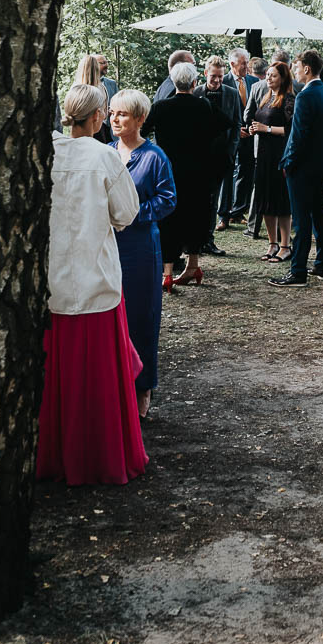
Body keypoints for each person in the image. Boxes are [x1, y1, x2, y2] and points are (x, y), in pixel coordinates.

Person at [38, 84, 146, 486]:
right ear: (99, 116)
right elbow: (128, 213)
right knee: (99, 378)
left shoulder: (46, 153)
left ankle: (55, 454)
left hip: (54, 279)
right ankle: (100, 456)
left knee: (58, 379)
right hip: (96, 276)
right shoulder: (104, 157)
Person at [109, 88, 177, 417]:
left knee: (141, 318)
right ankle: (113, 385)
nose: (114, 119)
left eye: (122, 114)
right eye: (111, 113)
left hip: (140, 247)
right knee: (110, 319)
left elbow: (168, 199)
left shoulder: (154, 157)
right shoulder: (106, 152)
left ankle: (142, 386)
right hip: (107, 245)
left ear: (140, 119)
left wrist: (134, 213)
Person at [147, 62, 228, 291]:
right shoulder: (204, 106)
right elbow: (226, 124)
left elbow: (142, 131)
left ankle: (168, 272)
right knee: (196, 217)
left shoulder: (160, 107)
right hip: (199, 172)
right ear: (195, 83)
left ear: (174, 82)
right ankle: (193, 265)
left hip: (169, 171)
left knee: (169, 219)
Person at [272, 50, 323, 288]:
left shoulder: (304, 97)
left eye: (297, 67)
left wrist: (287, 162)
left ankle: (298, 271)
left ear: (307, 69)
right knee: (320, 214)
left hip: (301, 167)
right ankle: (322, 264)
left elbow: (297, 136)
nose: (295, 71)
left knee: (300, 220)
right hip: (321, 164)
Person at [248, 62, 296, 262]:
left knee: (281, 201)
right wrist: (253, 129)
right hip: (264, 155)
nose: (268, 78)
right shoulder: (266, 97)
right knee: (266, 200)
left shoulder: (289, 100)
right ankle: (272, 244)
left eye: (273, 76)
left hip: (279, 155)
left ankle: (285, 246)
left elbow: (291, 129)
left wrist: (266, 129)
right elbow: (258, 121)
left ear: (283, 78)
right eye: (267, 75)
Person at [199, 56, 243, 244]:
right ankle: (199, 238)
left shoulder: (232, 93)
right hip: (200, 155)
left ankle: (209, 238)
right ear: (206, 73)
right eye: (213, 76)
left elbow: (237, 123)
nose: (217, 80)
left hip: (223, 153)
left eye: (220, 77)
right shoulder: (196, 93)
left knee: (215, 197)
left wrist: (231, 150)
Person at [223, 48, 257, 224]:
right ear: (232, 64)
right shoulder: (223, 81)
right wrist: (236, 130)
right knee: (228, 174)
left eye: (247, 62)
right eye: (243, 63)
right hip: (230, 136)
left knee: (246, 172)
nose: (246, 66)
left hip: (249, 135)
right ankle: (224, 214)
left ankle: (239, 211)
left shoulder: (252, 81)